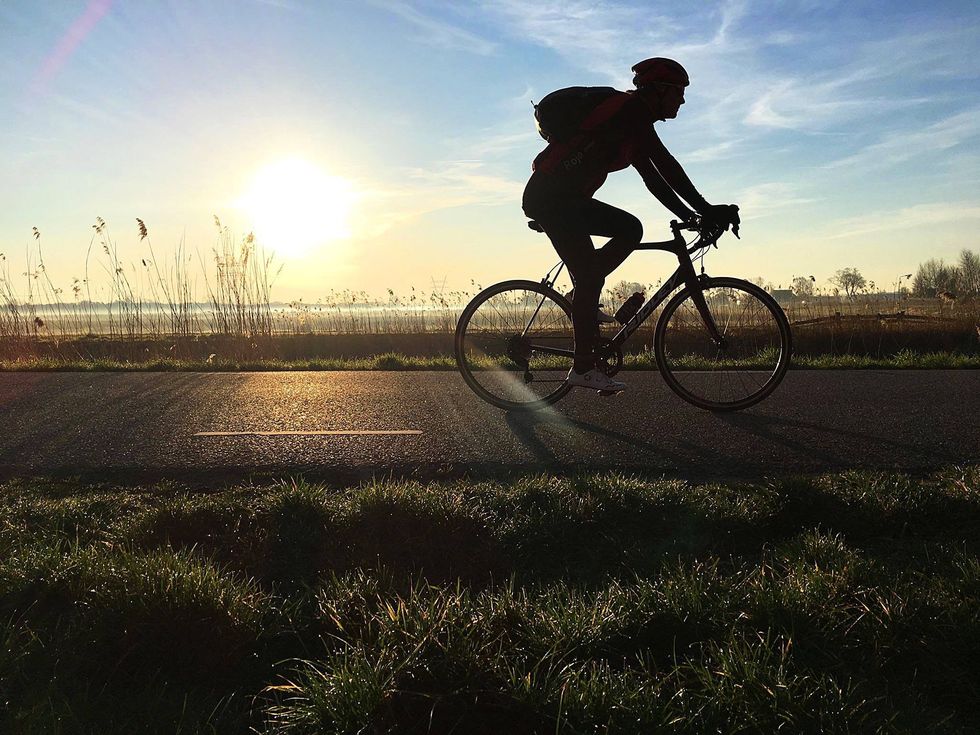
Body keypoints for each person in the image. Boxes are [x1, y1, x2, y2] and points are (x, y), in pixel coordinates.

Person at [522, 57, 739, 393]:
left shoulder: (630, 124)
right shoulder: (630, 112)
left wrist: (695, 215)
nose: (682, 99)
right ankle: (582, 367)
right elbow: (666, 164)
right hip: (551, 199)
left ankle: (582, 293)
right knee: (612, 250)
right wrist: (705, 209)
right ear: (659, 90)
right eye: (678, 92)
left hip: (564, 199)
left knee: (625, 234)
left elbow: (654, 178)